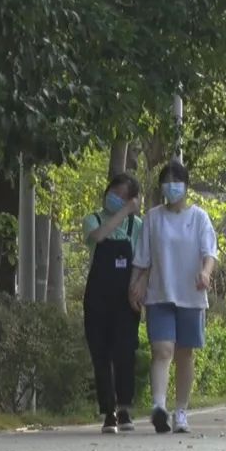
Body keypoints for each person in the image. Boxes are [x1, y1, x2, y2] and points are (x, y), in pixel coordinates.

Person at [129, 161, 217, 434]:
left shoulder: (199, 217)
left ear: (186, 185)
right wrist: (135, 285)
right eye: (166, 181)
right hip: (160, 293)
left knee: (185, 353)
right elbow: (142, 258)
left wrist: (205, 273)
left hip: (191, 295)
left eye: (176, 181)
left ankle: (181, 411)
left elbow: (209, 252)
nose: (171, 186)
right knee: (162, 349)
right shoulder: (153, 218)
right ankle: (158, 407)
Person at [82, 173, 143, 434]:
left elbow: (142, 261)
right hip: (97, 298)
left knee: (124, 353)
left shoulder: (136, 226)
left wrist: (137, 289)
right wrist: (123, 212)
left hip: (125, 299)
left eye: (122, 195)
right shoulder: (93, 219)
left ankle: (125, 408)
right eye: (113, 192)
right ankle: (108, 411)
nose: (115, 198)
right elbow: (99, 237)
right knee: (101, 355)